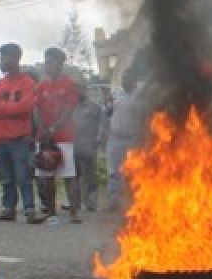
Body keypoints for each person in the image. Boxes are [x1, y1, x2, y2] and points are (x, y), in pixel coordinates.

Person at [0, 43, 45, 223]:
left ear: (16, 58)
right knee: (6, 177)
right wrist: (11, 109)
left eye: (5, 57)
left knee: (23, 176)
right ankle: (8, 209)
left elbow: (25, 107)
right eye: (1, 58)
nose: (2, 61)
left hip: (20, 137)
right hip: (0, 137)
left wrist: (4, 108)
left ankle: (29, 210)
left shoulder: (28, 83)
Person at [33, 47, 82, 222]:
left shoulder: (69, 84)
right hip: (44, 138)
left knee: (69, 175)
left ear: (60, 63)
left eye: (51, 61)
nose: (48, 65)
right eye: (46, 62)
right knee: (46, 175)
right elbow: (37, 110)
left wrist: (54, 128)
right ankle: (50, 210)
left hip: (65, 136)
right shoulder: (42, 86)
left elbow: (69, 110)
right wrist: (43, 130)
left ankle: (74, 211)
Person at [105, 73, 144, 210]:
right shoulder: (116, 95)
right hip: (115, 138)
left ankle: (134, 201)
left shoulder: (140, 97)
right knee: (113, 171)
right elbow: (108, 113)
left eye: (129, 79)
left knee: (134, 170)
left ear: (134, 81)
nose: (126, 81)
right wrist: (107, 103)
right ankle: (113, 201)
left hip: (133, 139)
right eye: (124, 79)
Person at [73, 83, 107, 213]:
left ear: (85, 90)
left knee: (90, 177)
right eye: (76, 89)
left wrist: (99, 139)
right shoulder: (69, 107)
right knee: (74, 177)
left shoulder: (95, 108)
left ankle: (91, 203)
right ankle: (74, 202)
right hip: (73, 147)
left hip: (89, 147)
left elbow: (103, 125)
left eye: (81, 89)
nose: (79, 92)